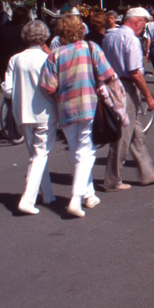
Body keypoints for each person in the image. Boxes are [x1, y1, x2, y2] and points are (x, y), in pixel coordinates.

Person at [38, 14, 115, 218]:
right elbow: (107, 74)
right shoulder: (92, 48)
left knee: (77, 152)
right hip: (89, 105)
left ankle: (89, 195)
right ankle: (76, 197)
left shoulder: (55, 55)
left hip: (66, 108)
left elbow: (48, 86)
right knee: (87, 152)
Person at [101, 7, 154, 190]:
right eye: (143, 23)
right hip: (125, 86)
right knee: (123, 134)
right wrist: (148, 96)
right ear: (137, 21)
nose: (143, 28)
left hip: (111, 82)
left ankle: (146, 170)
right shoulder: (131, 39)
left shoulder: (110, 36)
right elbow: (135, 72)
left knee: (135, 130)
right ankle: (112, 179)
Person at [2, 20, 58, 215]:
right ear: (44, 37)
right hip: (45, 112)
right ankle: (28, 199)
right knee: (40, 155)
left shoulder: (15, 59)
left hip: (22, 113)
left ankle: (48, 194)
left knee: (36, 156)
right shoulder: (48, 59)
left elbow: (8, 90)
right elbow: (53, 87)